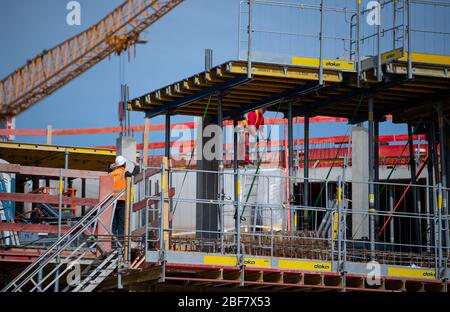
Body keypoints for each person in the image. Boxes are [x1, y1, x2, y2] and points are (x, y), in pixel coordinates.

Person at [108, 155, 140, 243]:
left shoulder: (111, 174)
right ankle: (120, 244)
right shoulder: (124, 173)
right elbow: (134, 176)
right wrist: (136, 166)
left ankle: (112, 243)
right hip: (122, 201)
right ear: (124, 164)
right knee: (122, 223)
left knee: (113, 223)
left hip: (112, 201)